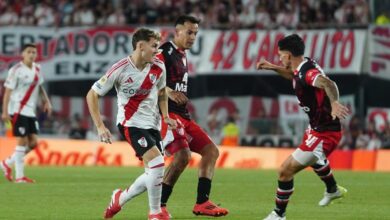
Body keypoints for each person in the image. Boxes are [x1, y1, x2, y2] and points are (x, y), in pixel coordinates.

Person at [86, 28, 176, 220]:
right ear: (140, 46)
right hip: (130, 124)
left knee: (152, 173)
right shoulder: (120, 69)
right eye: (153, 46)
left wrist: (166, 116)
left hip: (153, 124)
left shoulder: (159, 66)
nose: (157, 50)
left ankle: (119, 198)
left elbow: (161, 93)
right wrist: (100, 126)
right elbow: (92, 94)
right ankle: (155, 213)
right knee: (158, 163)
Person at [256, 34, 349, 220]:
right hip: (315, 128)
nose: (280, 58)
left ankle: (278, 214)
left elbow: (327, 83)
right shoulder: (302, 66)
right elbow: (293, 75)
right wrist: (273, 67)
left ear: (289, 55)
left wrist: (335, 103)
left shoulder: (308, 73)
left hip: (325, 133)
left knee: (285, 171)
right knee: (315, 160)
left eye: (281, 55)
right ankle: (332, 189)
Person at [158, 15, 229, 217]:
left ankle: (202, 203)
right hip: (167, 114)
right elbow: (146, 79)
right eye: (189, 32)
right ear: (177, 31)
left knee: (211, 151)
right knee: (182, 157)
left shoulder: (182, 54)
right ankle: (159, 206)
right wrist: (169, 91)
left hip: (183, 116)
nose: (193, 37)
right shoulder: (165, 51)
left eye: (195, 33)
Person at [0, 44, 52, 183]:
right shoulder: (15, 70)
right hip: (17, 109)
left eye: (34, 52)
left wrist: (46, 101)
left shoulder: (37, 68)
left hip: (30, 110)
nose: (32, 54)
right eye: (29, 52)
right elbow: (7, 92)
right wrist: (4, 111)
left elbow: (40, 86)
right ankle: (20, 177)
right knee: (22, 141)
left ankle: (6, 163)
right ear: (22, 53)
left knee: (34, 143)